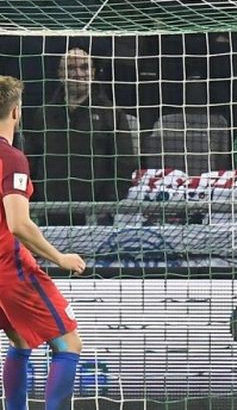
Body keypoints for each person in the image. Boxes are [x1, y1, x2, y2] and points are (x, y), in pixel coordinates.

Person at [0, 76, 86, 410]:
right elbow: (19, 223)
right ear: (17, 112)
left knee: (20, 338)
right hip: (11, 269)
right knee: (69, 344)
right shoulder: (12, 158)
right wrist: (59, 257)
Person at [26, 47, 135, 225]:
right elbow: (31, 160)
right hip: (48, 212)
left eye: (84, 67)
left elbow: (124, 163)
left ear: (93, 73)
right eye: (71, 68)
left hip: (95, 215)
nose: (78, 74)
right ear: (61, 74)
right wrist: (35, 201)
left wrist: (107, 205)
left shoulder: (111, 114)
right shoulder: (44, 114)